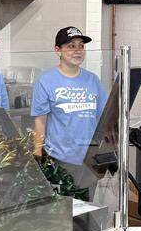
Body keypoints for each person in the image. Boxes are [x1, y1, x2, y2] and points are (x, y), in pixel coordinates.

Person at [31, 26, 107, 195]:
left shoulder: (92, 80)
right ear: (58, 50)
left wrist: (104, 152)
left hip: (89, 160)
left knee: (85, 211)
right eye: (71, 46)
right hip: (60, 159)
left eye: (81, 46)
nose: (78, 51)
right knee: (63, 215)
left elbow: (104, 117)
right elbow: (40, 120)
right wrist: (38, 154)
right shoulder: (46, 80)